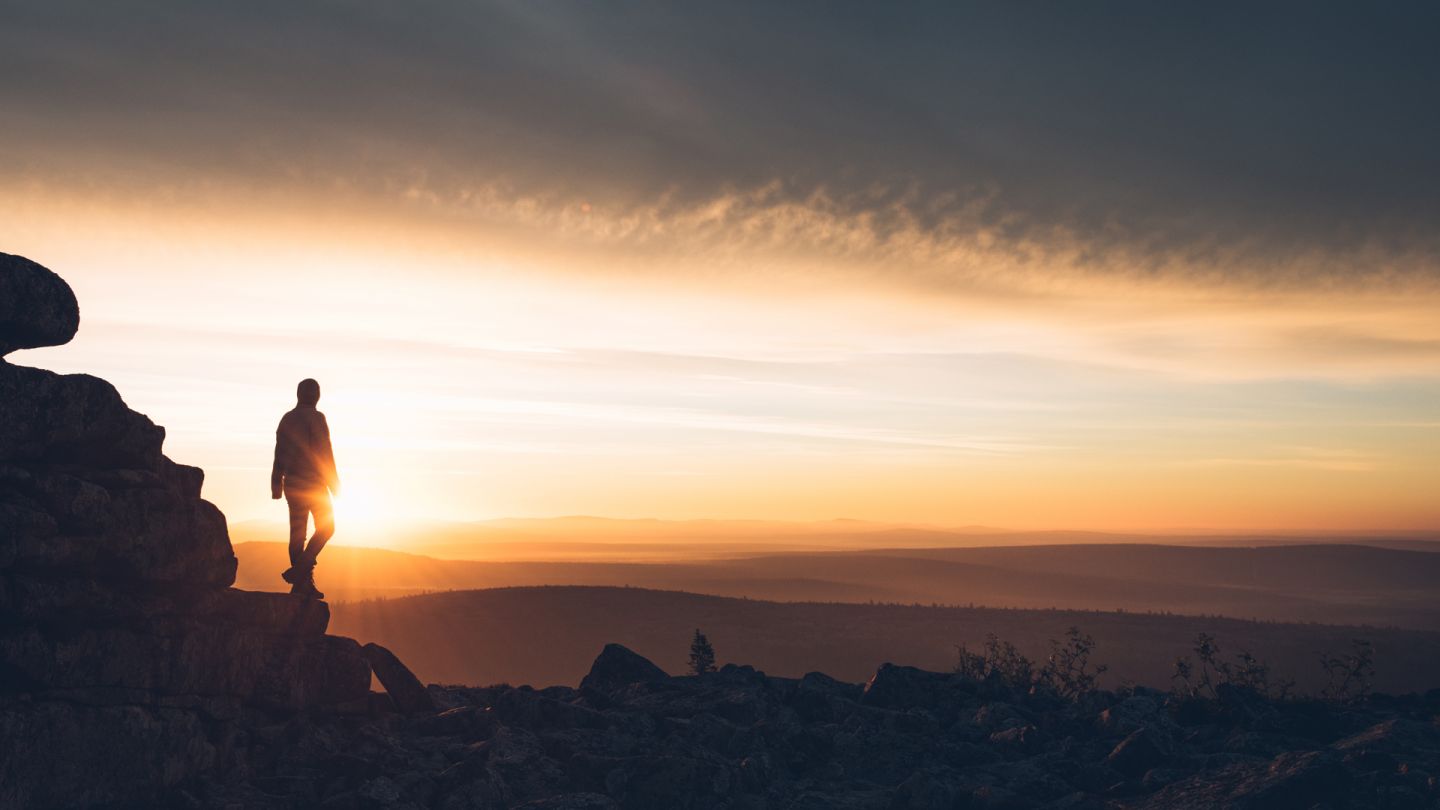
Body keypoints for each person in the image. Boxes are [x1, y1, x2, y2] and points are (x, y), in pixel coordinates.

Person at [270, 378, 340, 599]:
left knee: (297, 535)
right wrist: (334, 483)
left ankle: (302, 584)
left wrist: (276, 484)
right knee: (327, 528)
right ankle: (301, 573)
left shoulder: (286, 419)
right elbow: (324, 452)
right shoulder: (317, 419)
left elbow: (278, 453)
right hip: (314, 486)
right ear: (316, 395)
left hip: (292, 485)